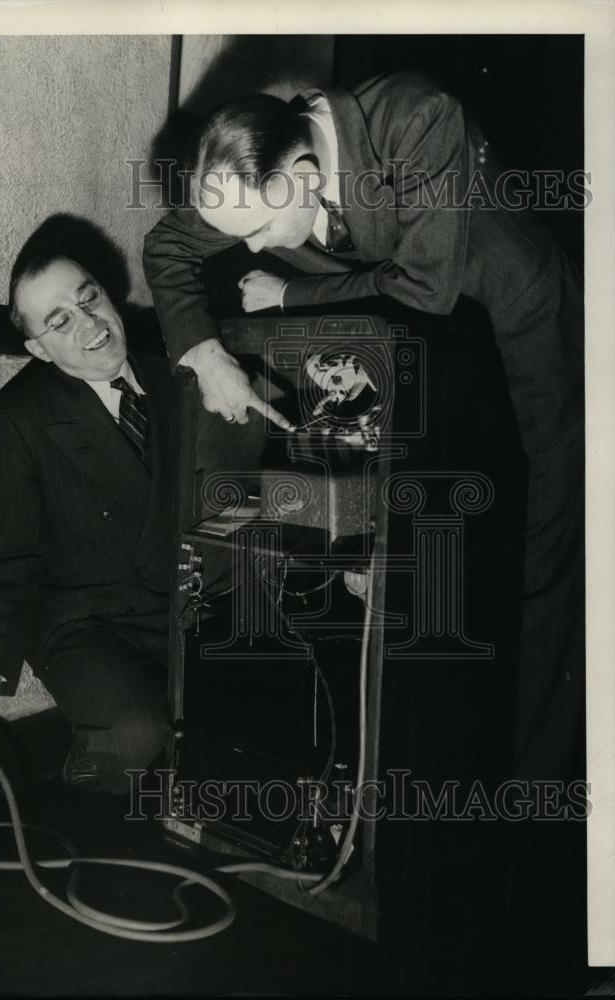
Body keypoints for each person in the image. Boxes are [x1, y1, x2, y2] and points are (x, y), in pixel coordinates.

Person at [143, 72, 585, 783]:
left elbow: (424, 285)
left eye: (257, 230)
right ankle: (428, 772)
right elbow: (167, 248)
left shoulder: (420, 120)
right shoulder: (248, 174)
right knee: (434, 562)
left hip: (523, 326)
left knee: (543, 554)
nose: (251, 251)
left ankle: (532, 790)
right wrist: (205, 356)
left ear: (305, 175)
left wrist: (294, 290)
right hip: (432, 361)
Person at [0, 214, 175, 795]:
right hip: (83, 619)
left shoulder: (180, 367)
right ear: (38, 348)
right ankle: (83, 818)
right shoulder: (20, 413)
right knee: (133, 733)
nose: (89, 324)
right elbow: (15, 550)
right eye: (59, 321)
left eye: (88, 299)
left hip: (186, 606)